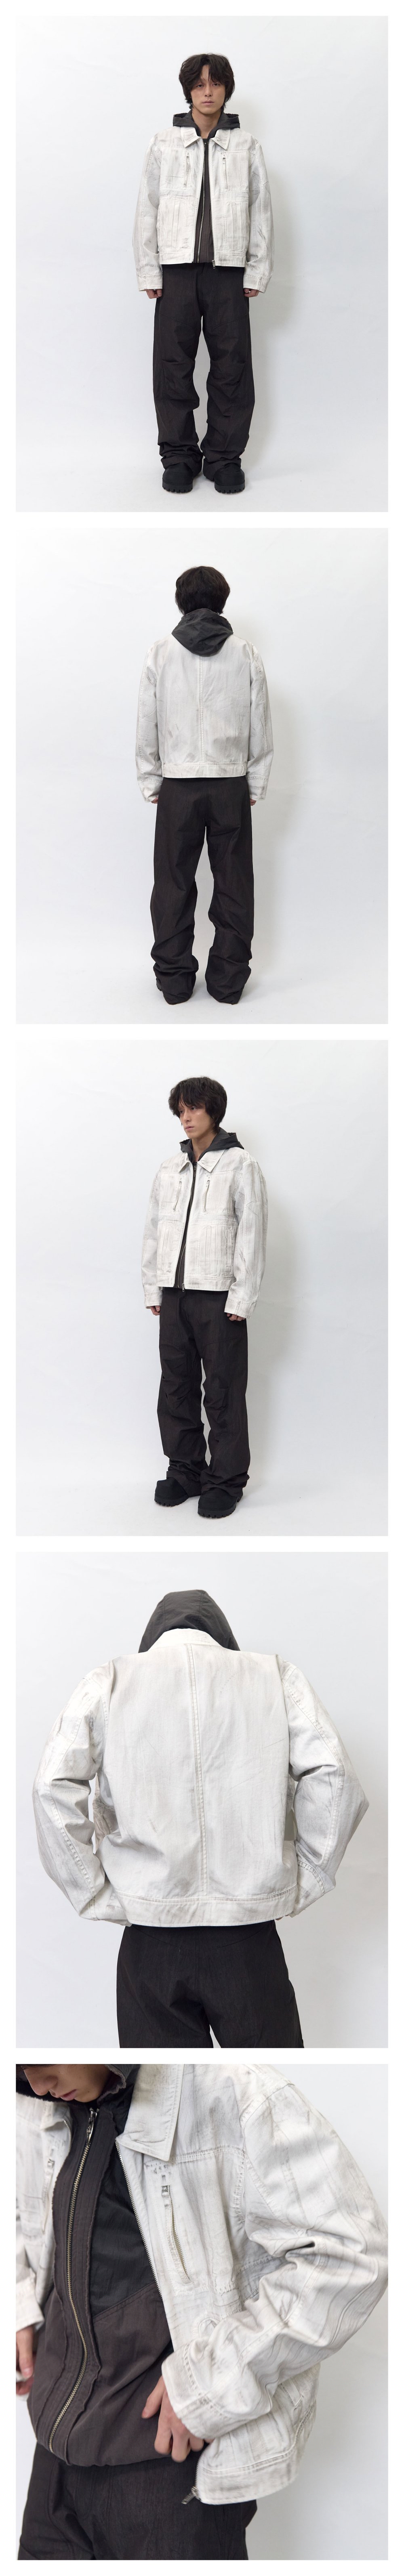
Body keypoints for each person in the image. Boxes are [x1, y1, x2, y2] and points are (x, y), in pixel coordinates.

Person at [17, 2061, 387, 2561]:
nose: (36, 2084)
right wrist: (18, 2299)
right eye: (20, 2070)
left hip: (167, 2465)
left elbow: (350, 2257)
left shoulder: (236, 2094)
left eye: (41, 2066)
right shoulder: (41, 2098)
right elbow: (20, 2200)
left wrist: (213, 2382)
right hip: (53, 2461)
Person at [32, 1587, 368, 2048]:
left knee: (163, 2087)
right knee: (266, 2072)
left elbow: (51, 1786)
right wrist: (306, 1877)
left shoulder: (109, 1681)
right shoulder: (273, 1676)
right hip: (248, 1940)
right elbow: (336, 1776)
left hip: (150, 1940)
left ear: (153, 1636)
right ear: (222, 1635)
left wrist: (95, 1894)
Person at [133, 52, 274, 493]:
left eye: (215, 84)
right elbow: (147, 209)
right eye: (199, 85)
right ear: (188, 91)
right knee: (172, 365)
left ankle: (224, 458)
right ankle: (178, 456)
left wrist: (256, 270)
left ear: (226, 89)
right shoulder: (164, 143)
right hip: (175, 272)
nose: (207, 92)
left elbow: (261, 211)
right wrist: (149, 270)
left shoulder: (247, 146)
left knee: (232, 366)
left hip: (228, 272)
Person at [136, 561, 273, 1005]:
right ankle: (228, 983)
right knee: (235, 884)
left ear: (181, 602)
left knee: (172, 884)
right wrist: (255, 782)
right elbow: (260, 721)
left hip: (178, 787)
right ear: (222, 601)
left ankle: (175, 983)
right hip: (229, 786)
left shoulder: (160, 652)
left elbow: (147, 721)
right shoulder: (245, 653)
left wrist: (151, 779)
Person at [141, 1074, 267, 1517]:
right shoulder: (169, 1169)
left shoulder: (240, 1164)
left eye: (193, 1108)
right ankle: (185, 1470)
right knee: (175, 1386)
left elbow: (252, 1232)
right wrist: (153, 1285)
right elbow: (154, 1230)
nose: (186, 1117)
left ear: (214, 1110)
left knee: (222, 1389)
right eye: (180, 1110)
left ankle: (226, 1480)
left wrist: (242, 1297)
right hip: (174, 1296)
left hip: (218, 1297)